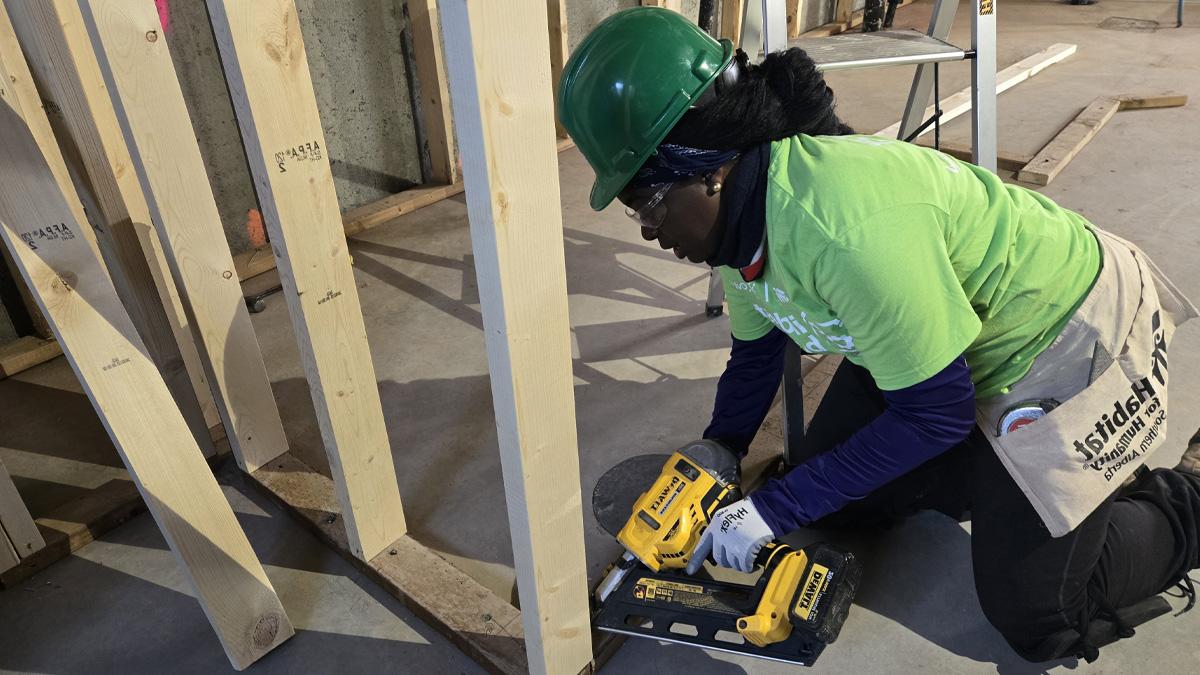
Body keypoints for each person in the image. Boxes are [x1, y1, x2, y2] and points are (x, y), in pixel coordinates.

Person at [558, 7, 1200, 663]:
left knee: (1038, 613)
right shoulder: (741, 225)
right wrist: (721, 447)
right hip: (949, 343)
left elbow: (936, 411)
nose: (647, 228)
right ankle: (1000, 471)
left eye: (649, 201)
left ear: (709, 171)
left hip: (1061, 333)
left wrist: (770, 508)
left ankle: (1188, 496)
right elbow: (756, 355)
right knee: (833, 501)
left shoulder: (842, 230)